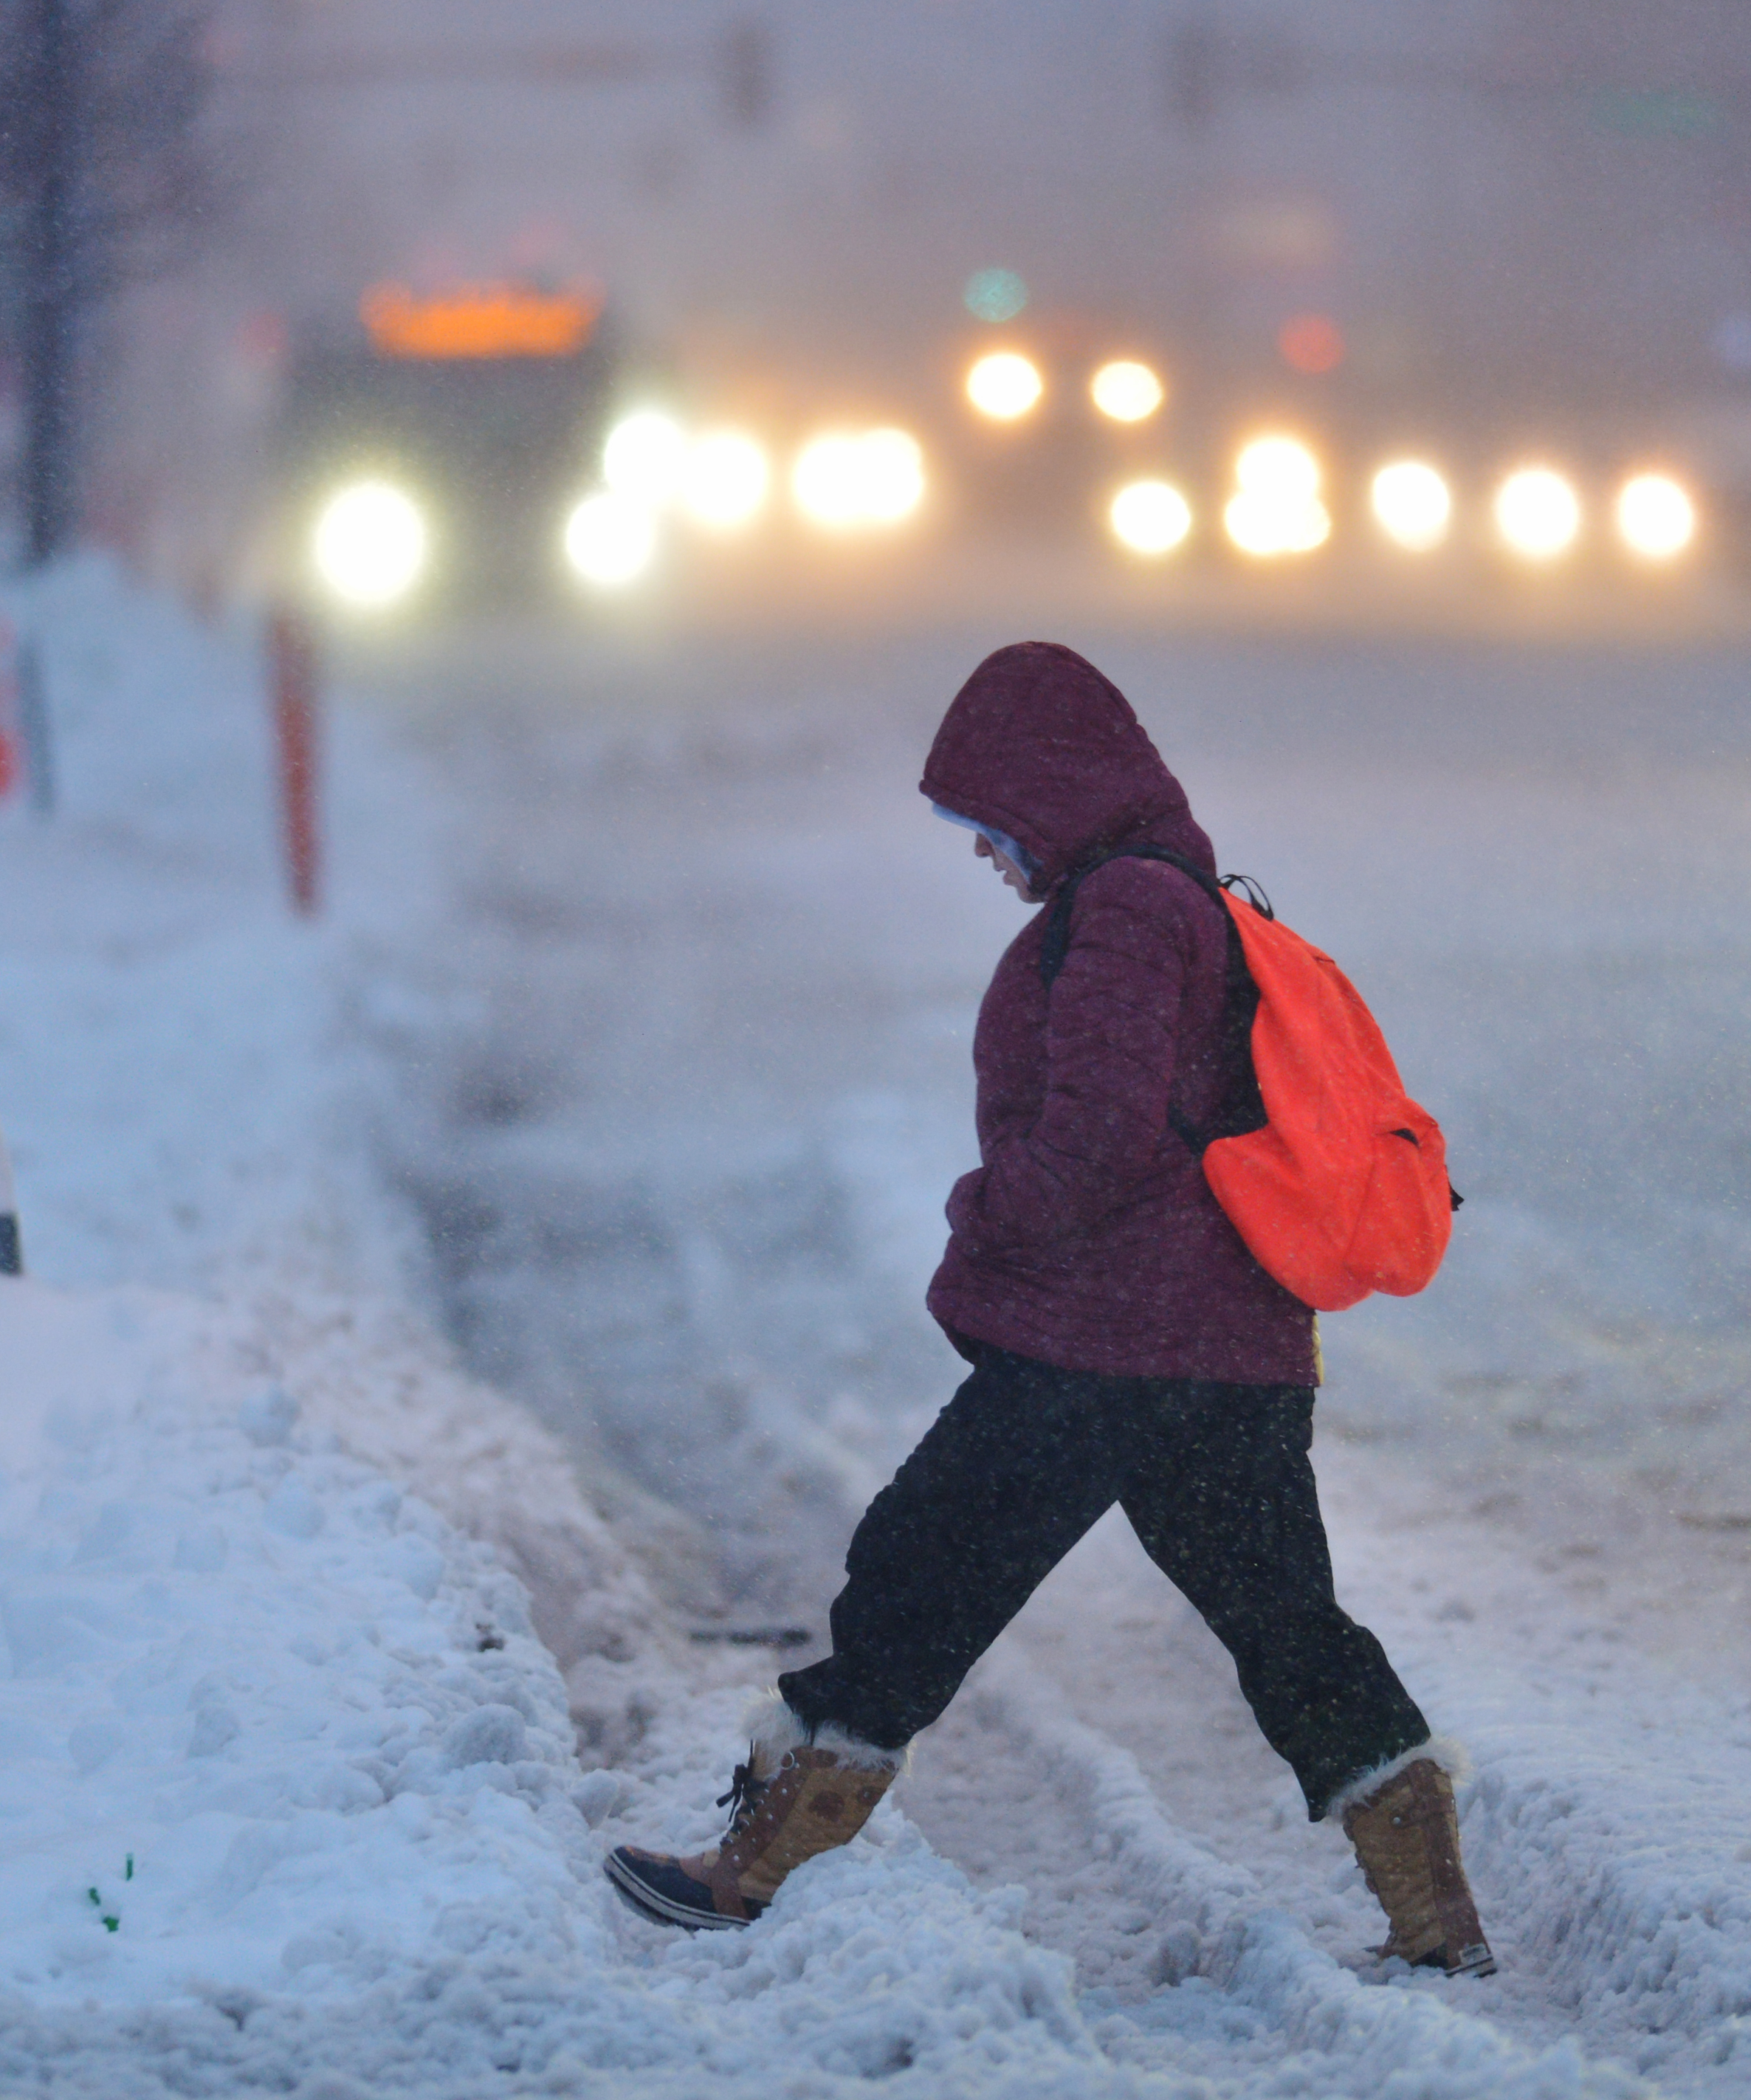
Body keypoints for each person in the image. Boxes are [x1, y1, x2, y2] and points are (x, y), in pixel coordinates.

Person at [605, 641, 1493, 1977]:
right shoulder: (1178, 894)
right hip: (1231, 1351)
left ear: (1048, 793)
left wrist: (987, 1211)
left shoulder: (1128, 908)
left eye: (987, 821)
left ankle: (753, 1870)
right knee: (1288, 1628)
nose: (981, 851)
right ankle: (1435, 1916)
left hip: (1104, 1343)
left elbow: (1095, 1139)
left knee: (914, 1574)